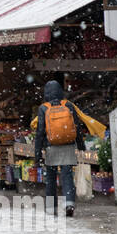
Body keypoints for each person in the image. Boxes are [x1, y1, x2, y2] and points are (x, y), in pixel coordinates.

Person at [35, 79, 84, 217]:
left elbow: (39, 133)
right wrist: (81, 145)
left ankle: (51, 208)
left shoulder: (43, 108)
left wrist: (37, 155)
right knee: (67, 176)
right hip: (67, 145)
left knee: (50, 178)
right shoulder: (68, 105)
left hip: (51, 147)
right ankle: (69, 203)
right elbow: (77, 127)